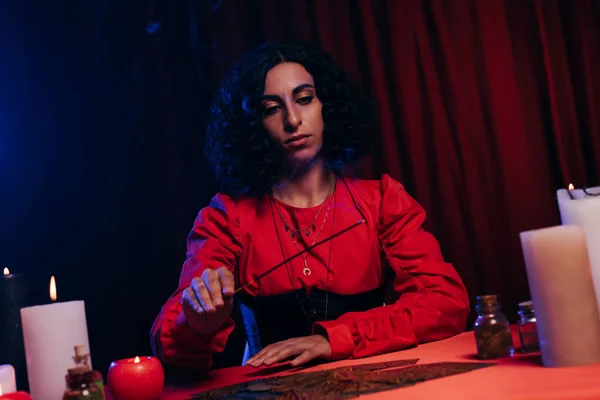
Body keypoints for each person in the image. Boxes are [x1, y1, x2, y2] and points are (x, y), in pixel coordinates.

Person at [150, 41, 469, 370]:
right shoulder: (228, 216)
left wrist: (334, 339)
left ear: (326, 106)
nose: (292, 119)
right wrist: (198, 324)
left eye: (304, 99)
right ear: (253, 125)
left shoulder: (382, 201)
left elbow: (445, 303)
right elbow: (168, 342)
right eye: (271, 108)